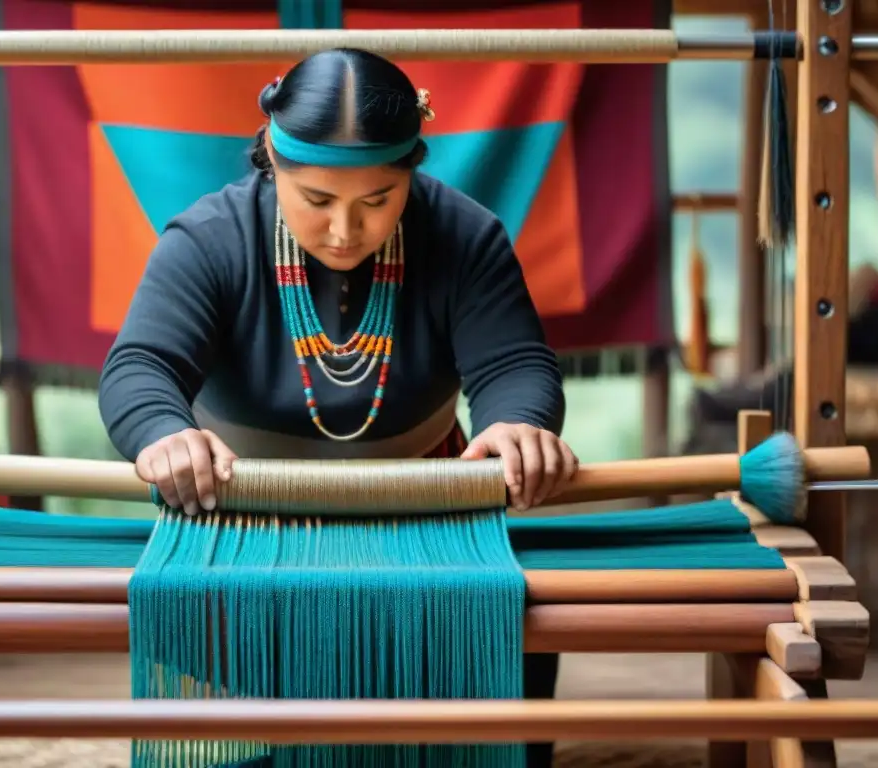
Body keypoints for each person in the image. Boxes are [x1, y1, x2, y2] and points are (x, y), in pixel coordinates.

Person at [98, 47, 577, 767]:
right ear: (271, 159)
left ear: (411, 173)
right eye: (317, 201)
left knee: (512, 603)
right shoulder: (210, 239)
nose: (345, 232)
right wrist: (165, 433)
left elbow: (513, 364)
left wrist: (517, 424)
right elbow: (142, 366)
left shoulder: (464, 236)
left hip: (428, 517)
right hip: (247, 525)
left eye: (377, 201)